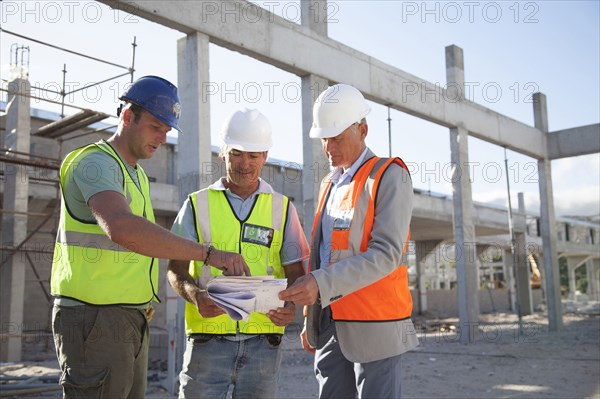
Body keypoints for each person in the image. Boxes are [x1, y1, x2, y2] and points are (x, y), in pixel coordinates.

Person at [50, 75, 249, 398]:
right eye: (156, 126)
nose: (162, 137)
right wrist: (209, 254)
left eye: (167, 129)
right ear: (128, 117)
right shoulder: (94, 163)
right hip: (94, 318)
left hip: (128, 317)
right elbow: (123, 228)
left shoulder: (137, 174)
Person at [279, 84, 418, 399]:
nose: (329, 147)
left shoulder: (389, 176)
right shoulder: (329, 184)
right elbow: (322, 254)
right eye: (324, 139)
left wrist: (319, 283)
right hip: (330, 322)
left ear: (363, 130)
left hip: (376, 324)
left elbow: (386, 254)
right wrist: (310, 318)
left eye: (337, 137)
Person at [167, 108, 310, 399]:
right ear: (223, 153)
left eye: (253, 155)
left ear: (265, 157)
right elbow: (175, 269)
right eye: (236, 153)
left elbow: (296, 273)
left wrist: (290, 309)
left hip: (263, 345)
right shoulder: (196, 204)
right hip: (208, 341)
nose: (244, 164)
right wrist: (196, 296)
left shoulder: (283, 209)